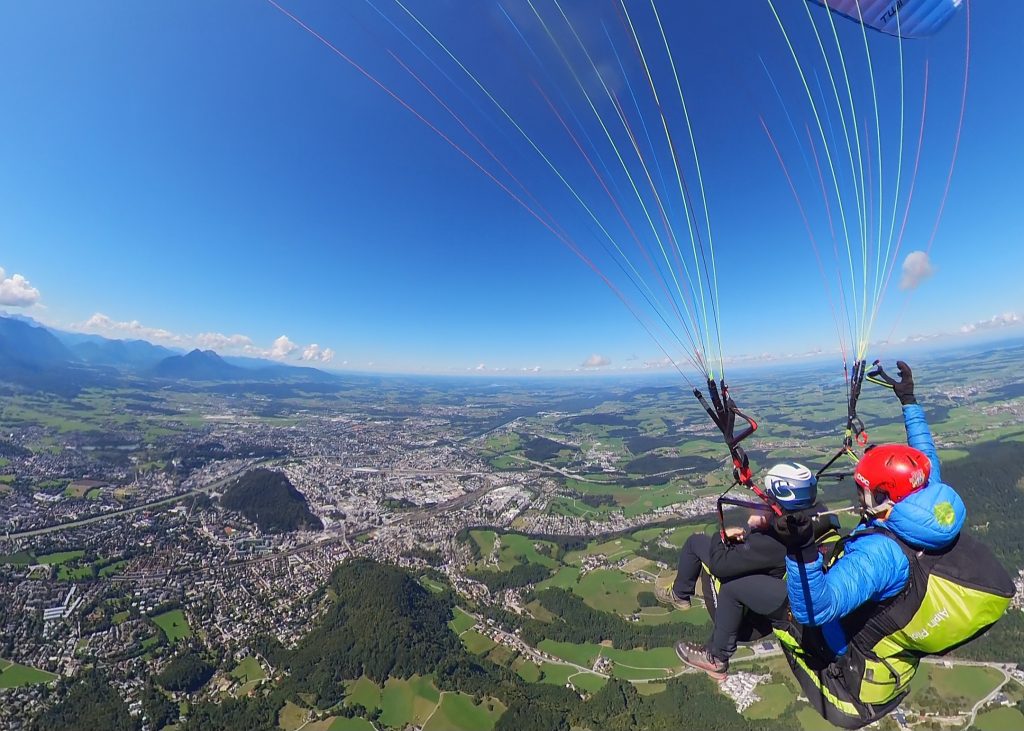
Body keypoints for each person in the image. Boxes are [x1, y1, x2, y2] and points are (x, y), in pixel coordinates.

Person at [773, 361, 1015, 729]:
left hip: (852, 656)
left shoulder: (882, 553)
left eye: (863, 490)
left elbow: (815, 609)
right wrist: (909, 401)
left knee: (781, 611)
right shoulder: (930, 502)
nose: (857, 495)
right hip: (900, 619)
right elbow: (924, 456)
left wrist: (800, 550)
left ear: (885, 496)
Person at [657, 463, 825, 680]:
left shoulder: (773, 541)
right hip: (771, 600)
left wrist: (722, 536)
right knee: (702, 547)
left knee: (700, 549)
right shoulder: (813, 519)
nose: (766, 500)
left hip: (753, 620)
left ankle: (714, 654)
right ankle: (683, 599)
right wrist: (765, 524)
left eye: (770, 498)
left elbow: (720, 564)